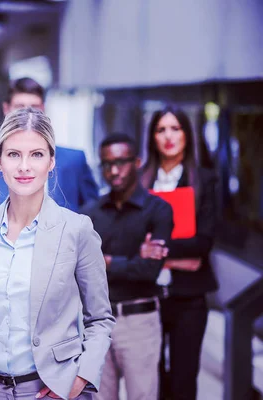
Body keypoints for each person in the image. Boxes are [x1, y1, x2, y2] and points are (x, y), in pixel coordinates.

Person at [0, 108, 114, 400]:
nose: (24, 166)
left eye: (37, 154)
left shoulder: (77, 229)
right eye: (14, 154)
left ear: (52, 162)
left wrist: (80, 378)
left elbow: (100, 319)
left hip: (55, 389)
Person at [81, 134, 174, 400]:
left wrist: (106, 260)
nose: (113, 170)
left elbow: (149, 271)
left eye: (121, 162)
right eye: (107, 163)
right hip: (96, 321)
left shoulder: (158, 211)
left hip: (139, 321)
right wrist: (133, 258)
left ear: (137, 162)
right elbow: (83, 269)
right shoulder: (90, 213)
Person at [140, 106, 218, 400]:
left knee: (184, 380)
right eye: (161, 130)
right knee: (152, 378)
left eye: (176, 128)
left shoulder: (205, 180)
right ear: (153, 137)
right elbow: (130, 239)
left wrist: (154, 247)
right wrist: (176, 252)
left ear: (187, 134)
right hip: (147, 294)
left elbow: (203, 242)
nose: (169, 136)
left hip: (189, 297)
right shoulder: (141, 180)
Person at [0, 77, 98, 221]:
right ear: (6, 109)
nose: (27, 113)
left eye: (34, 107)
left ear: (43, 108)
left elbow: (94, 213)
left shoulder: (74, 160)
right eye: (19, 106)